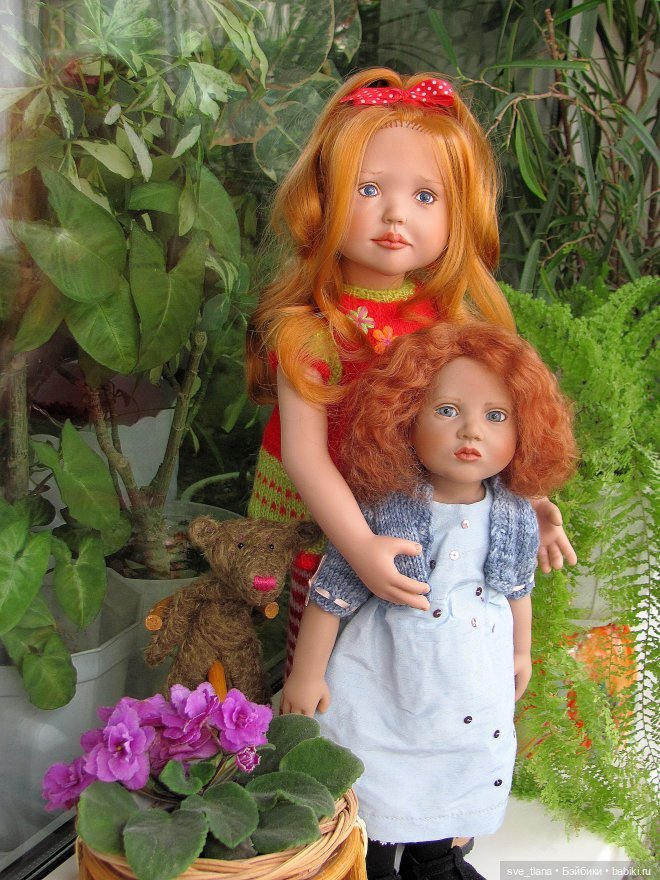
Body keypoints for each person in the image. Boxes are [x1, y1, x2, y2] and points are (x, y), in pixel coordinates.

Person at [245, 67, 576, 671]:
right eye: (369, 190)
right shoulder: (310, 331)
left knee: (414, 655)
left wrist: (530, 498)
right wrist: (358, 546)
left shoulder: (446, 324)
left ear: (457, 212)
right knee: (322, 659)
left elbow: (488, 417)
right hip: (330, 524)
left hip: (421, 516)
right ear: (324, 198)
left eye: (426, 197)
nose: (396, 214)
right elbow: (305, 455)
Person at [281, 322, 579, 880]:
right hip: (388, 670)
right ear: (404, 419)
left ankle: (436, 857)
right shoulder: (384, 509)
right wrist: (306, 675)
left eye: (497, 416)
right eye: (446, 411)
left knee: (459, 759)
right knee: (374, 764)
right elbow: (332, 593)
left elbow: (517, 588)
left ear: (526, 430)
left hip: (473, 673)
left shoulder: (514, 511)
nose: (471, 430)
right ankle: (366, 858)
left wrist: (521, 652)